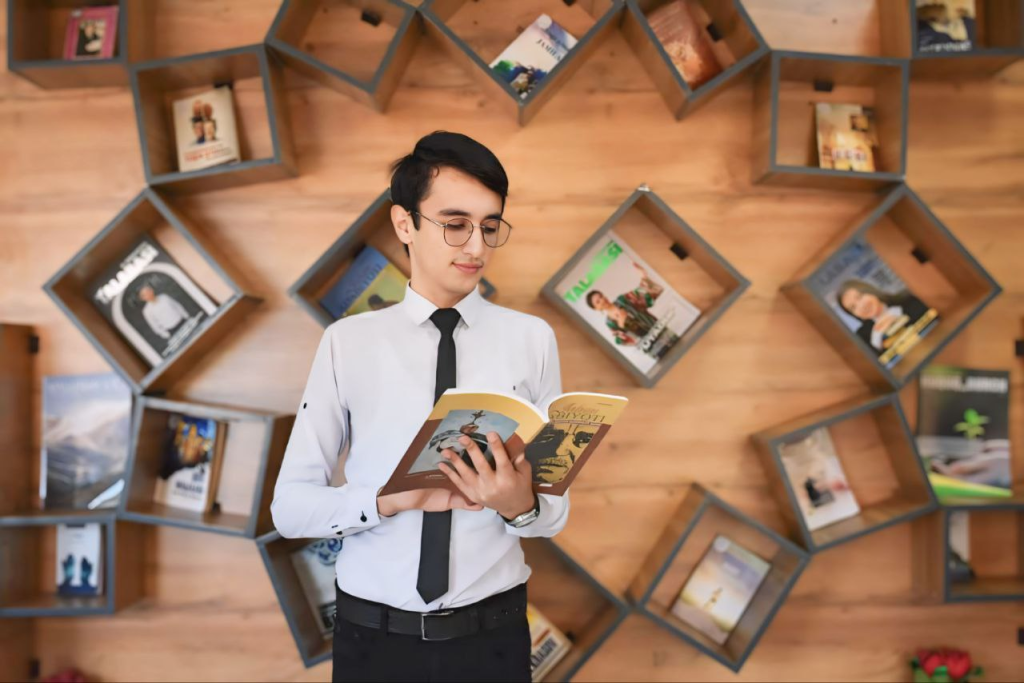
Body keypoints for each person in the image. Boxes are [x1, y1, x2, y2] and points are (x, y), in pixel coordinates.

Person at [271, 131, 568, 682]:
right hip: (373, 641)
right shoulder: (347, 343)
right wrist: (389, 501)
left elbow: (552, 515)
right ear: (404, 223)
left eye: (489, 226)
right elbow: (290, 509)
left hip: (494, 639)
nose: (475, 246)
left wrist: (517, 504)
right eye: (455, 224)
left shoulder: (532, 339)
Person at [585, 261, 678, 358]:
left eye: (601, 296)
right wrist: (621, 325)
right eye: (598, 302)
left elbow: (641, 293)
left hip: (661, 331)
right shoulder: (609, 323)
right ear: (596, 309)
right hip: (650, 345)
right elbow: (621, 341)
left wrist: (644, 276)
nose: (602, 300)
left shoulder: (622, 300)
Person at [835, 280, 929, 357]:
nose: (861, 306)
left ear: (870, 291)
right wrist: (877, 339)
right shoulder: (863, 337)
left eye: (860, 297)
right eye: (853, 308)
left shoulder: (907, 298)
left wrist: (898, 316)